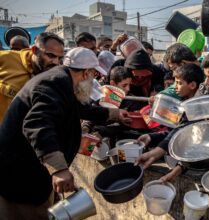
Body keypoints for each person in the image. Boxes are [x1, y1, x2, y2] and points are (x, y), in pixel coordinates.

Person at [0, 47, 132, 219]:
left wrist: (113, 114)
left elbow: (78, 108)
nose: (94, 81)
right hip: (20, 176)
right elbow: (37, 124)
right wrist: (59, 169)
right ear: (86, 73)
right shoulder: (52, 84)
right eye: (93, 76)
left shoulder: (62, 81)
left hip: (30, 171)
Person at [135, 63, 204, 181]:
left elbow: (183, 132)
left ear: (192, 85)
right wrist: (152, 137)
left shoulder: (198, 108)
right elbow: (174, 130)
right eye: (175, 83)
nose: (175, 87)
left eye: (179, 83)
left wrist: (158, 151)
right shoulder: (183, 102)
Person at [0, 32, 64, 123]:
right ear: (34, 50)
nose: (56, 62)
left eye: (60, 58)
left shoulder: (55, 76)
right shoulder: (6, 58)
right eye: (50, 55)